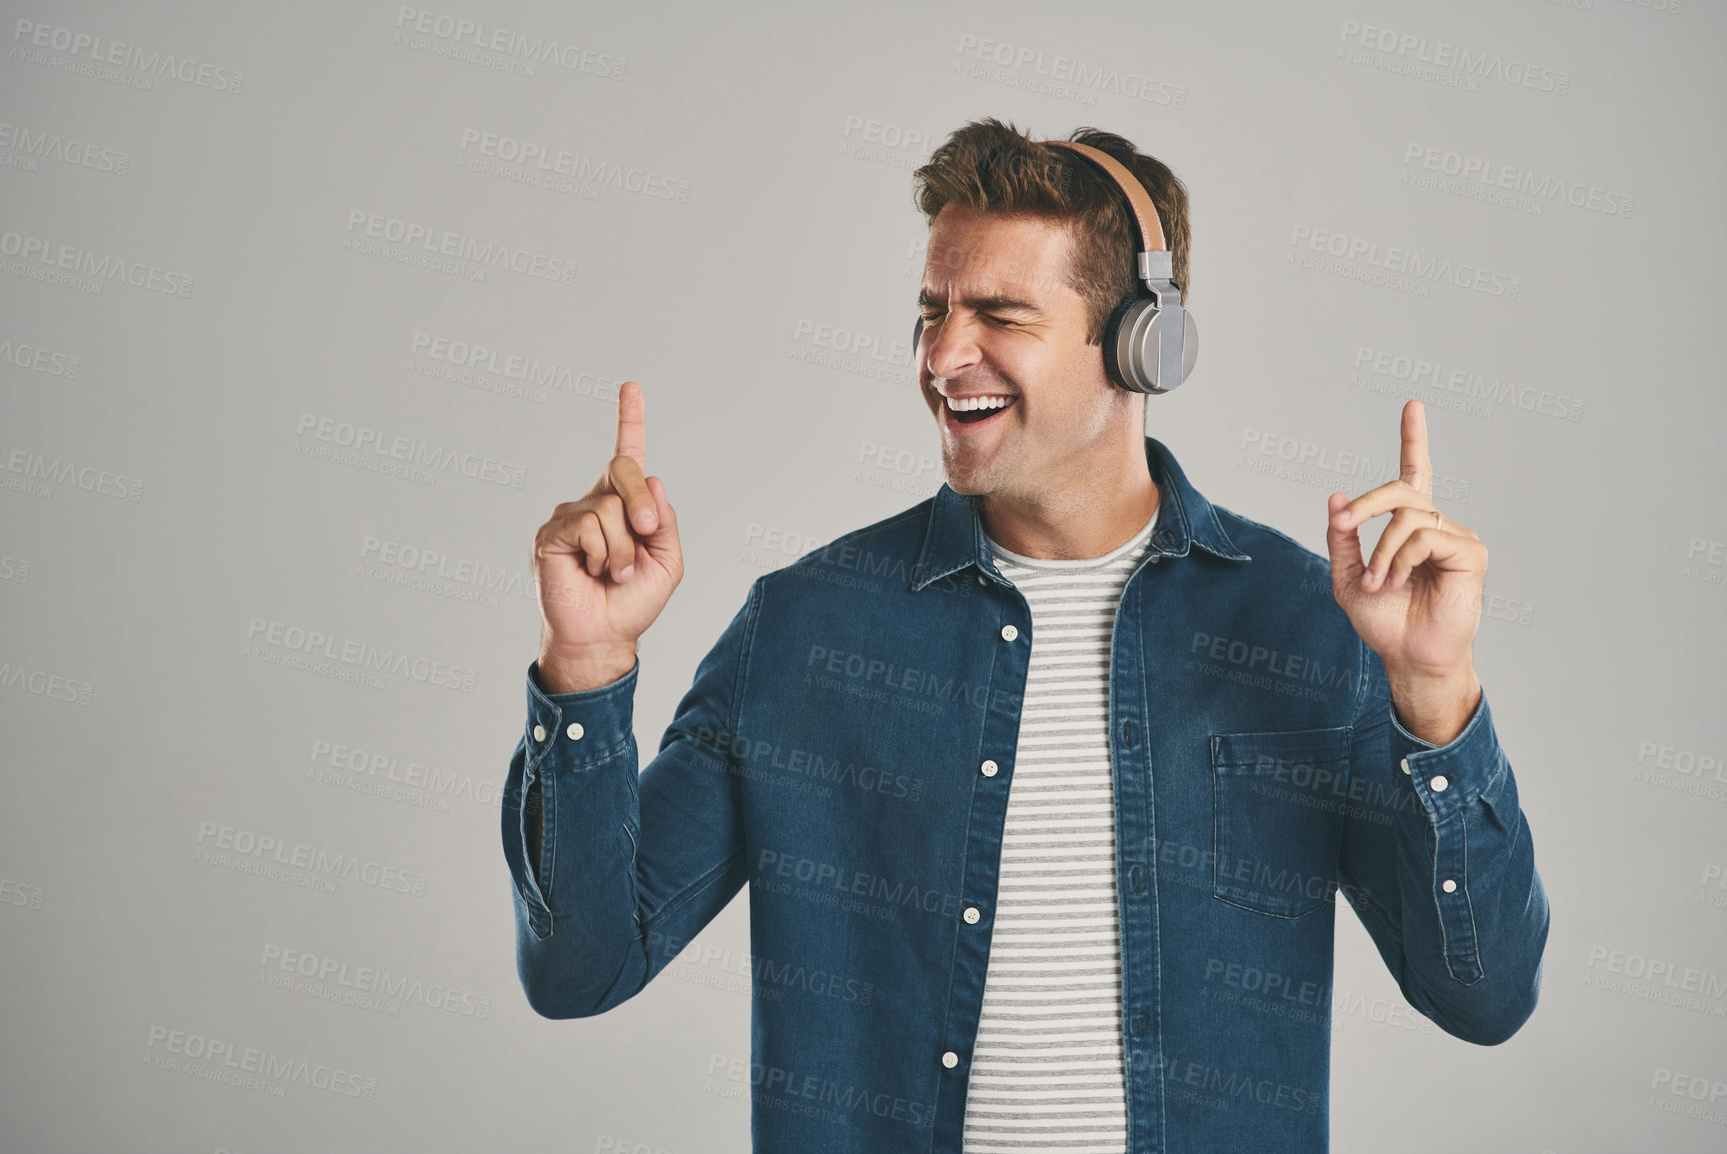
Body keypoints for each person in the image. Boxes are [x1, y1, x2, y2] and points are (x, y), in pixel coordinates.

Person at [499, 117, 1549, 1154]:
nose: (943, 355)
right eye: (931, 310)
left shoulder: (1301, 622)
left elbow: (1483, 995)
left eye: (998, 312)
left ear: (1147, 343)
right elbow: (581, 968)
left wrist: (1433, 690)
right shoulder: (806, 628)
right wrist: (587, 663)